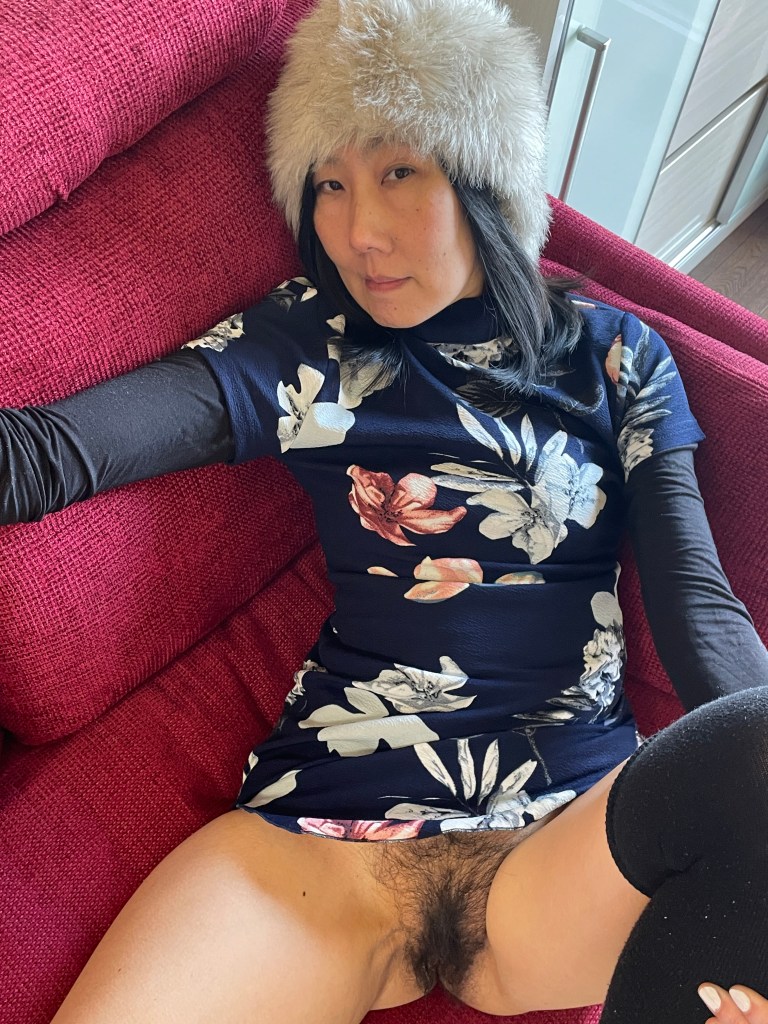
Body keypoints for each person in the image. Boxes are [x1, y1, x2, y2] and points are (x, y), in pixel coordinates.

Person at [2, 0, 768, 1021]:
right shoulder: (306, 341)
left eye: (399, 170)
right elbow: (50, 455)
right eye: (329, 183)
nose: (359, 231)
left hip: (562, 845)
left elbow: (698, 606)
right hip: (324, 847)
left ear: (484, 177)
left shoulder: (619, 357)